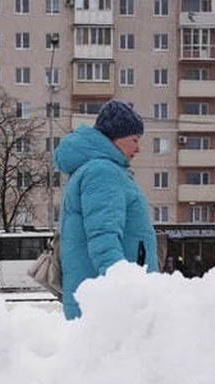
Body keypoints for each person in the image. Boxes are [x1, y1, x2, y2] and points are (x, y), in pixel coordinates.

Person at [53, 100, 159, 319]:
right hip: (111, 309)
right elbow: (103, 237)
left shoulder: (96, 169)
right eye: (135, 140)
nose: (138, 148)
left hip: (99, 301)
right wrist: (121, 287)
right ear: (117, 138)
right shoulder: (103, 171)